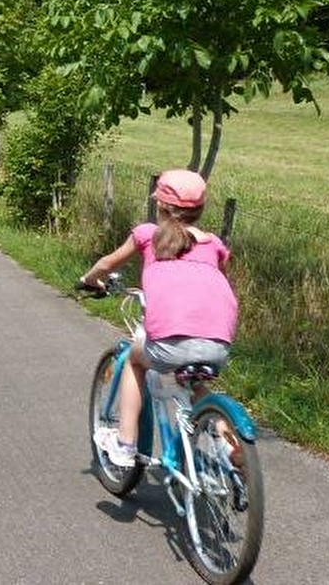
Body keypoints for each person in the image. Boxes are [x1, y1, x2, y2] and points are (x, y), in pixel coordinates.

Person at [77, 169, 239, 469]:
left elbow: (106, 264)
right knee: (194, 384)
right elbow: (216, 284)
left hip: (171, 345)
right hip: (218, 343)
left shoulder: (147, 236)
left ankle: (125, 444)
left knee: (134, 361)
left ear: (161, 207)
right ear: (200, 210)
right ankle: (230, 446)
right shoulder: (214, 244)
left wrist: (88, 280)